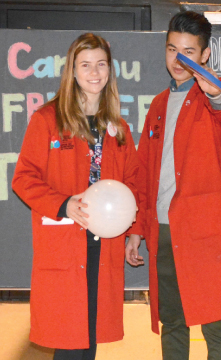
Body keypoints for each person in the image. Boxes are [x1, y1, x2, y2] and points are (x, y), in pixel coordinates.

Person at [125, 10, 221, 360]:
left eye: (188, 51)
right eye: (171, 48)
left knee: (215, 324)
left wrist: (216, 92)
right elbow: (144, 171)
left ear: (204, 55)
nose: (177, 59)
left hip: (204, 231)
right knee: (173, 321)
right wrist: (137, 229)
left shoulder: (210, 95)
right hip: (162, 230)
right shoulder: (159, 105)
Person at [12, 33, 139, 360]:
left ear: (110, 70)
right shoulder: (47, 120)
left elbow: (133, 182)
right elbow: (23, 178)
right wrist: (64, 203)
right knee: (69, 341)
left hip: (104, 245)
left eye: (101, 64)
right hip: (65, 244)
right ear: (72, 70)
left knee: (90, 338)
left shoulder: (118, 127)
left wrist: (135, 233)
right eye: (86, 65)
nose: (94, 72)